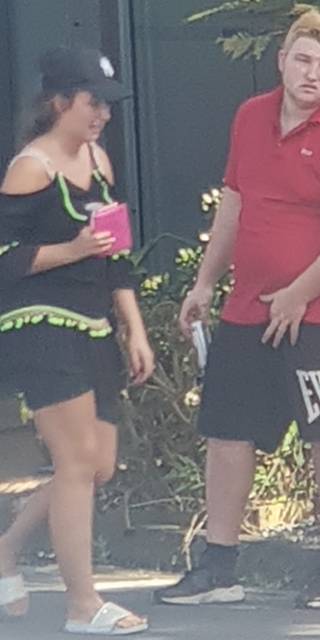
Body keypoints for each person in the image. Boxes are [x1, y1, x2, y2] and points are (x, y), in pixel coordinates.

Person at [155, 9, 320, 609]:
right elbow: (234, 201)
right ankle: (219, 565)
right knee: (227, 431)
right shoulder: (251, 116)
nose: (314, 74)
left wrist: (301, 293)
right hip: (249, 306)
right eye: (304, 59)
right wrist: (205, 282)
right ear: (282, 59)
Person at [0, 47, 154, 634]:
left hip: (92, 323)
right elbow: (5, 258)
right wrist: (71, 251)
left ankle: (7, 546)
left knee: (99, 465)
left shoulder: (100, 161)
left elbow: (114, 254)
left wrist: (134, 327)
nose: (102, 116)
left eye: (107, 106)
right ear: (60, 101)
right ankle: (82, 604)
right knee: (75, 460)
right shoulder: (30, 168)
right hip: (38, 324)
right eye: (93, 103)